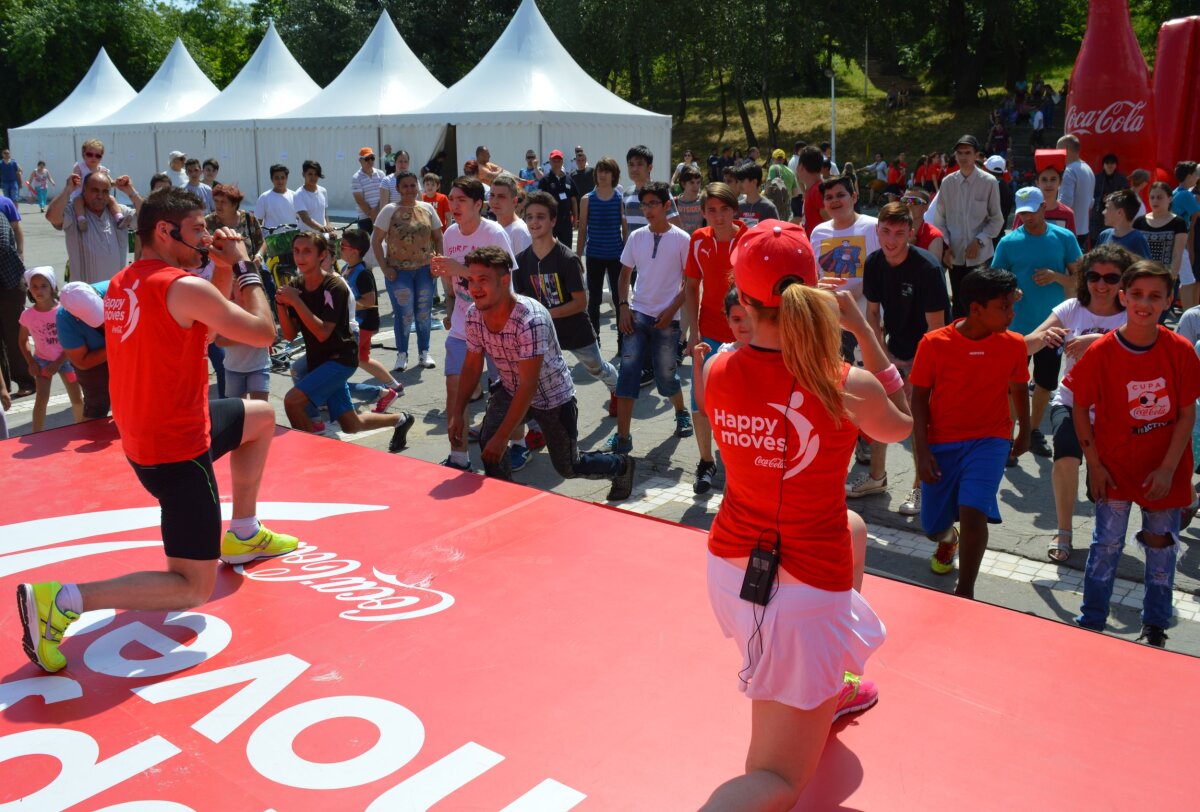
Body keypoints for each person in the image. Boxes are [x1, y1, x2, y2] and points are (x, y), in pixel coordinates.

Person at [17, 187, 296, 674]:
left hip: (152, 435)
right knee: (193, 585)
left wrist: (222, 269)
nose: (208, 236)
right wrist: (247, 263)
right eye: (198, 230)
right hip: (178, 450)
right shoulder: (182, 286)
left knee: (260, 418)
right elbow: (263, 332)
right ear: (166, 232)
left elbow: (206, 331)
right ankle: (62, 600)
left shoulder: (124, 282)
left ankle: (245, 531)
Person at [696, 222, 911, 811]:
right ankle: (814, 688)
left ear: (741, 299)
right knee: (778, 780)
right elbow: (904, 420)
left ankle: (828, 689)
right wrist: (861, 325)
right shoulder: (846, 383)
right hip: (800, 588)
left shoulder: (715, 370)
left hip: (731, 567)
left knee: (855, 527)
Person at [1065, 260, 1200, 648]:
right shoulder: (1102, 351)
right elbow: (1079, 406)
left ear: (1169, 300)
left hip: (1164, 471)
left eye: (1155, 296)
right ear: (1123, 297)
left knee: (1161, 550)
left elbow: (1187, 413)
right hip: (1114, 468)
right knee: (1106, 545)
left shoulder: (1181, 350)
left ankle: (1155, 624)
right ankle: (1092, 619)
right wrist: (1094, 465)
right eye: (1137, 294)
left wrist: (1169, 469)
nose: (1144, 303)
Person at [449, 245, 635, 496]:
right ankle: (504, 500)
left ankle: (621, 466)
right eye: (470, 280)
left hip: (552, 397)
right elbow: (472, 365)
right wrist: (458, 413)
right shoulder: (473, 315)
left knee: (568, 466)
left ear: (505, 280)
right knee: (489, 446)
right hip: (509, 388)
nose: (475, 288)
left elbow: (529, 386)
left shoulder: (530, 319)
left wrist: (503, 437)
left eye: (483, 280)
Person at [911, 267, 1031, 597]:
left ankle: (965, 592)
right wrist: (921, 453)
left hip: (990, 441)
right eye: (1004, 307)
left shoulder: (1014, 344)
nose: (1012, 313)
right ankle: (949, 542)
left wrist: (1025, 430)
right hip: (941, 444)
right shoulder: (933, 344)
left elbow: (1019, 388)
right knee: (934, 528)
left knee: (974, 512)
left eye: (1011, 305)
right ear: (976, 309)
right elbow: (919, 399)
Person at [1023, 245, 1134, 562]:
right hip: (1072, 401)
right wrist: (1044, 338)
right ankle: (1064, 530)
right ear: (1085, 278)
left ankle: (1105, 532)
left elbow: (1142, 346)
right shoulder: (1072, 307)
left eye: (1111, 277)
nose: (1102, 284)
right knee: (1066, 458)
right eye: (1095, 276)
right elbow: (1028, 344)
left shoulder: (1131, 314)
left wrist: (1096, 341)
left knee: (1105, 481)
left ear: (1123, 281)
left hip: (1115, 411)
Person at [276, 231, 415, 445]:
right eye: (296, 251)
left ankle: (310, 454)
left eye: (307, 251)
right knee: (351, 425)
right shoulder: (296, 286)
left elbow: (322, 333)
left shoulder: (335, 286)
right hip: (319, 361)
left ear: (322, 255)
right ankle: (401, 419)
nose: (300, 257)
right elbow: (290, 334)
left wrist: (295, 302)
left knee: (292, 402)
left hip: (341, 361)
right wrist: (281, 306)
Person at [855, 203, 949, 512]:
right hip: (892, 350)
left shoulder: (928, 268)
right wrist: (883, 359)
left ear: (911, 233)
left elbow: (936, 329)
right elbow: (872, 315)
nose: (891, 240)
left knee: (918, 422)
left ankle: (921, 488)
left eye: (899, 233)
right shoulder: (874, 262)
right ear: (877, 231)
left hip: (930, 352)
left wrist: (913, 372)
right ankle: (876, 477)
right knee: (879, 412)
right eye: (885, 232)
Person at [430, 176, 518, 471]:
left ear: (478, 205)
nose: (453, 205)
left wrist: (462, 270)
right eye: (451, 199)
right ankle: (459, 456)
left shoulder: (493, 233)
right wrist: (448, 291)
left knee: (505, 392)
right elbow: (453, 282)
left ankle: (517, 445)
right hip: (462, 325)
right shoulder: (450, 234)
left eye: (461, 200)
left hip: (497, 324)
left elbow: (505, 280)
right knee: (455, 391)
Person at [991, 186, 1082, 458]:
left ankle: (1029, 432)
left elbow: (1079, 280)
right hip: (1016, 327)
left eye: (1032, 212)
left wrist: (1056, 276)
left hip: (1054, 326)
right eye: (1022, 213)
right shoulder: (1009, 242)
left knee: (1044, 383)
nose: (1027, 218)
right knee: (1011, 384)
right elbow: (995, 280)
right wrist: (1010, 292)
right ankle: (1006, 437)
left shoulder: (1064, 238)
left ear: (1044, 208)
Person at [514, 192, 619, 425]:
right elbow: (520, 300)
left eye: (540, 216)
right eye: (529, 217)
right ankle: (539, 427)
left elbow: (581, 303)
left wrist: (545, 314)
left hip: (574, 329)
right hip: (542, 334)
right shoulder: (521, 260)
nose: (534, 222)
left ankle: (618, 390)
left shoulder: (567, 259)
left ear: (553, 221)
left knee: (597, 368)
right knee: (536, 378)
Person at [607, 182, 692, 452]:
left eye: (653, 204)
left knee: (666, 375)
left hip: (668, 320)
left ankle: (681, 412)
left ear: (667, 205)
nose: (647, 210)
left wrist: (670, 312)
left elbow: (689, 283)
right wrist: (623, 306)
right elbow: (624, 275)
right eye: (644, 205)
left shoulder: (682, 239)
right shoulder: (637, 237)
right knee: (628, 372)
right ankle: (622, 437)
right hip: (638, 315)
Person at [684, 182, 747, 494]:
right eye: (712, 210)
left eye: (724, 210)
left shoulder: (749, 238)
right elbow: (692, 287)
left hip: (744, 336)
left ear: (734, 210)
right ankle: (706, 461)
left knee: (743, 403)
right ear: (703, 211)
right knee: (700, 400)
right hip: (708, 332)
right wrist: (692, 334)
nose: (719, 216)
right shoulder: (698, 239)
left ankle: (742, 463)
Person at [373, 170, 443, 372]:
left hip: (424, 271)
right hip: (398, 272)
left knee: (423, 313)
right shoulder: (389, 210)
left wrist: (437, 263)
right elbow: (376, 241)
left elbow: (438, 237)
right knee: (404, 315)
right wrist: (385, 268)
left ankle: (424, 353)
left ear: (418, 187)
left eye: (413, 185)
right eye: (405, 186)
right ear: (398, 189)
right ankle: (402, 354)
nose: (410, 189)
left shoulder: (427, 208)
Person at [932, 135, 1004, 317]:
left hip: (980, 255)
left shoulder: (988, 182)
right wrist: (945, 246)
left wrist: (979, 240)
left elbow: (997, 219)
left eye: (968, 153)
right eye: (959, 153)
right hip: (955, 255)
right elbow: (939, 219)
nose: (963, 157)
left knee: (981, 301)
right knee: (959, 303)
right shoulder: (948, 183)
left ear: (977, 155)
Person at [339, 228, 404, 409]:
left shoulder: (363, 272)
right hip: (356, 324)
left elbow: (369, 301)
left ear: (354, 250)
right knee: (362, 359)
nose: (340, 248)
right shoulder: (346, 268)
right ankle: (394, 385)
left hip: (364, 324)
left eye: (342, 245)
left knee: (349, 359)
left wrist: (346, 305)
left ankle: (335, 393)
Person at [18, 266, 84, 431]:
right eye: (34, 286)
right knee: (41, 399)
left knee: (76, 398)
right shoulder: (27, 315)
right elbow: (22, 340)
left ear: (53, 287)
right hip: (42, 361)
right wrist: (31, 362)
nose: (39, 290)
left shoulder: (63, 311)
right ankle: (36, 434)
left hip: (67, 360)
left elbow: (75, 339)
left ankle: (83, 429)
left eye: (44, 285)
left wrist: (58, 363)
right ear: (29, 289)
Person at [47, 170, 140, 284]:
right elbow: (52, 216)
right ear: (84, 190)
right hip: (85, 296)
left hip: (115, 295)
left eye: (105, 191)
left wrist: (131, 192)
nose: (100, 196)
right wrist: (68, 190)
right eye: (95, 190)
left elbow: (149, 218)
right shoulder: (74, 212)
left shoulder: (119, 212)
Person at [576, 156, 627, 356]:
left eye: (607, 171)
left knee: (619, 299)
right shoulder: (587, 199)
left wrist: (628, 258)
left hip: (616, 257)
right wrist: (577, 257)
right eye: (600, 171)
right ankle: (594, 340)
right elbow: (581, 231)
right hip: (594, 256)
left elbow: (625, 230)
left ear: (614, 175)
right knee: (593, 301)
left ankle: (623, 342)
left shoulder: (619, 198)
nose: (602, 174)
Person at [57, 280, 112, 419]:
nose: (104, 323)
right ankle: (92, 433)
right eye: (95, 320)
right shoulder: (64, 318)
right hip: (94, 360)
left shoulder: (116, 288)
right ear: (75, 316)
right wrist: (116, 345)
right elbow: (82, 362)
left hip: (125, 349)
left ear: (96, 294)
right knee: (97, 404)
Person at [1134, 181, 1187, 282]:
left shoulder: (1178, 223)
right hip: (1141, 277)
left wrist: (1170, 279)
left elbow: (1177, 254)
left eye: (1159, 197)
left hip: (1165, 278)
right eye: (1152, 197)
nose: (1155, 201)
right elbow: (1134, 252)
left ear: (1170, 199)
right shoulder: (1139, 222)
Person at [69, 139, 124, 232]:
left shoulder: (102, 169)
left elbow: (111, 183)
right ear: (83, 155)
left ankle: (119, 218)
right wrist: (75, 179)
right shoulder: (80, 167)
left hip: (98, 196)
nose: (94, 158)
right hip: (82, 194)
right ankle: (81, 220)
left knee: (111, 199)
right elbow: (75, 178)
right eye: (90, 154)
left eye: (98, 156)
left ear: (101, 158)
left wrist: (118, 182)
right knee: (78, 201)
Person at [1057, 134, 1096, 251]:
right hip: (1083, 229)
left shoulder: (1069, 171)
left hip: (1067, 229)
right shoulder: (1088, 169)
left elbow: (1065, 203)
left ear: (1066, 150)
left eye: (1058, 150)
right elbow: (1091, 203)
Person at [1017, 160, 1076, 234]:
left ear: (1060, 182)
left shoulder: (1068, 214)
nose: (1048, 184)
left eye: (1053, 179)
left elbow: (1070, 244)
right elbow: (1014, 241)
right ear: (1037, 182)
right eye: (1044, 180)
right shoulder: (1024, 212)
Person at [1171, 161, 1200, 310]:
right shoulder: (1186, 195)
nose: (1197, 177)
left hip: (1175, 239)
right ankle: (1189, 315)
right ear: (1189, 176)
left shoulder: (1177, 192)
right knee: (1188, 280)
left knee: (1181, 279)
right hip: (1180, 241)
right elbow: (1197, 213)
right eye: (1195, 174)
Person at [537, 150, 579, 247]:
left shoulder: (569, 179)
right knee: (548, 248)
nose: (556, 163)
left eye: (559, 160)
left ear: (562, 162)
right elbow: (539, 201)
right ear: (550, 162)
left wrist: (575, 219)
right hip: (549, 221)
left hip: (565, 222)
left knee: (566, 250)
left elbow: (573, 200)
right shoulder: (545, 180)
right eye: (554, 160)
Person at [1096, 189, 1151, 258]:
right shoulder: (1104, 235)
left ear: (1120, 212)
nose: (1103, 212)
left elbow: (1145, 267)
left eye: (1107, 208)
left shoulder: (1138, 239)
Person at [1090, 154, 1129, 247]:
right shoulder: (1096, 178)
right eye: (1107, 163)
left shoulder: (1122, 179)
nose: (1110, 165)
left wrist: (1112, 198)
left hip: (1115, 217)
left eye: (1112, 163)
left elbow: (1126, 196)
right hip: (1097, 217)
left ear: (1116, 165)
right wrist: (1100, 199)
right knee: (1095, 244)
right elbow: (1090, 195)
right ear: (1103, 165)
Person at [351, 147, 389, 234]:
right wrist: (372, 215)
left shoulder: (381, 173)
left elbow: (385, 193)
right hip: (365, 218)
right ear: (360, 160)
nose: (370, 161)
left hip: (381, 214)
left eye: (372, 158)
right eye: (367, 158)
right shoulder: (356, 177)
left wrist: (377, 210)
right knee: (368, 246)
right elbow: (359, 200)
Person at [733, 161, 778, 229]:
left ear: (754, 182)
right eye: (737, 181)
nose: (738, 185)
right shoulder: (738, 207)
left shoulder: (768, 208)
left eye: (742, 181)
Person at [903, 188, 944, 259]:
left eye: (915, 201)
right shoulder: (893, 229)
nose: (908, 205)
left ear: (926, 206)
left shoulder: (933, 235)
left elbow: (933, 268)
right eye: (905, 200)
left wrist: (910, 249)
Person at [294, 160, 332, 235]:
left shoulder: (323, 191)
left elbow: (325, 213)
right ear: (303, 174)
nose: (313, 177)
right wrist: (322, 228)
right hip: (306, 237)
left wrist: (329, 226)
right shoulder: (298, 194)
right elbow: (305, 219)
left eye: (316, 174)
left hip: (322, 236)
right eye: (310, 174)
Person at [255, 164, 297, 230]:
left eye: (282, 178)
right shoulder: (264, 197)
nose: (280, 181)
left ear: (287, 178)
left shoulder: (295, 196)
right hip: (271, 238)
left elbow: (301, 218)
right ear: (272, 179)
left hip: (292, 237)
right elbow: (258, 221)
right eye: (277, 178)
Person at [797, 146, 827, 234]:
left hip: (818, 246)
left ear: (801, 167)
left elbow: (832, 222)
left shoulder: (818, 191)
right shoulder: (813, 190)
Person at [674, 165, 704, 233]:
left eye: (698, 182)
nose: (696, 186)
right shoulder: (674, 202)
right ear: (683, 184)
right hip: (681, 242)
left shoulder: (704, 201)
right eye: (692, 182)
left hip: (699, 241)